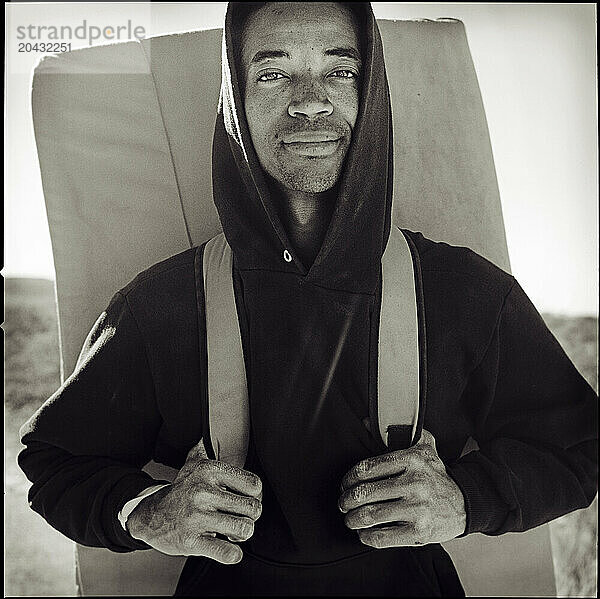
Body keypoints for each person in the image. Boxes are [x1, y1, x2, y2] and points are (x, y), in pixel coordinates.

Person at [19, 2, 598, 596]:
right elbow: (56, 460)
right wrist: (146, 511)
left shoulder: (465, 292)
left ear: (370, 93)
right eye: (273, 74)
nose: (310, 101)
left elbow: (579, 443)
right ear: (234, 101)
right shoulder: (163, 305)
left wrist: (466, 499)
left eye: (339, 71)